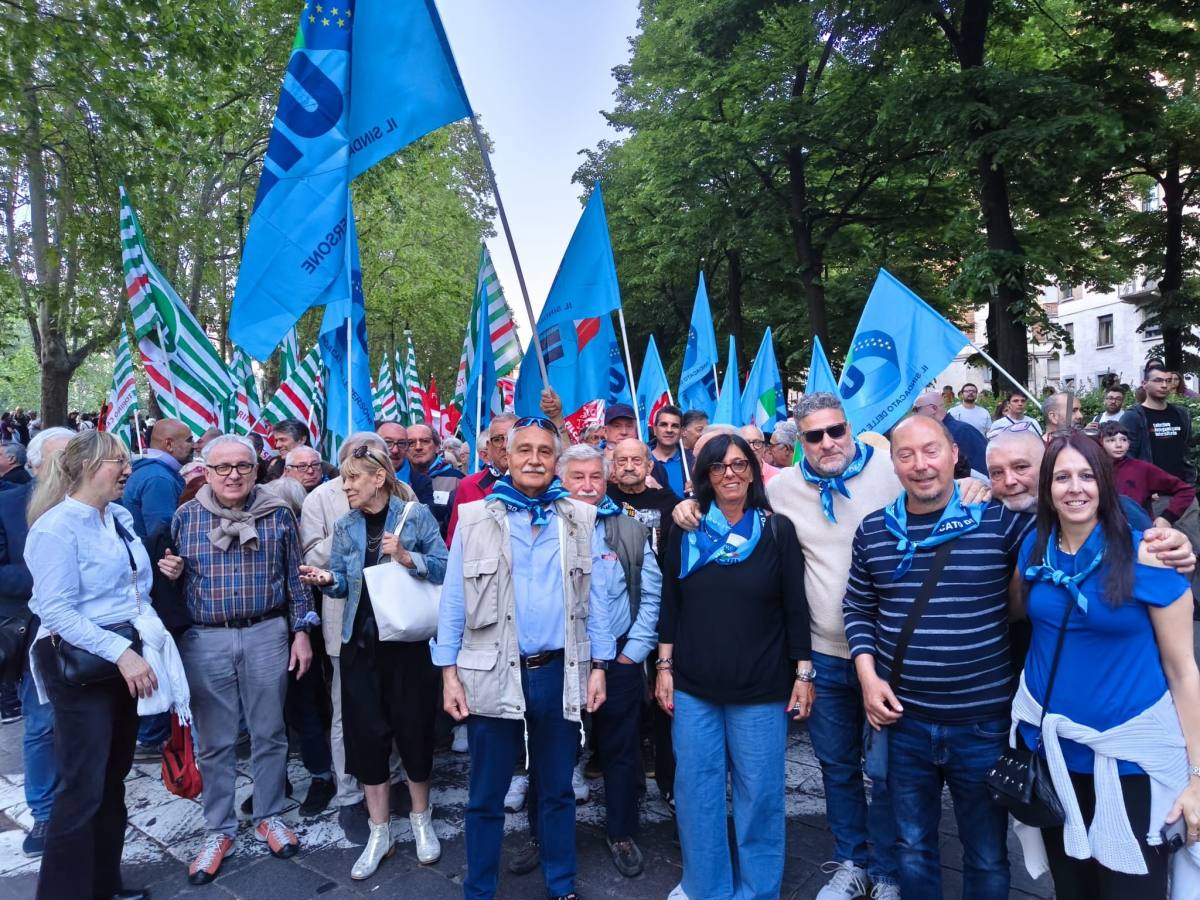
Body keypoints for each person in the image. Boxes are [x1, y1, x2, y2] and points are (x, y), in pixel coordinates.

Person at [843, 416, 1030, 899]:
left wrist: (1158, 533)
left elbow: (1076, 523)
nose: (920, 465)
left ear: (953, 453)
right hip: (903, 721)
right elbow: (859, 607)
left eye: (931, 451)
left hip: (982, 723)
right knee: (911, 845)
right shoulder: (874, 531)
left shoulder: (999, 520)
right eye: (905, 455)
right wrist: (867, 677)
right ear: (893, 462)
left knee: (987, 854)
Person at [1010, 432, 1200, 897]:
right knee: (1072, 888)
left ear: (1105, 484)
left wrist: (1199, 777)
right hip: (1053, 757)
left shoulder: (1149, 555)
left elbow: (1183, 672)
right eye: (1061, 477)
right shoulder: (1035, 550)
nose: (1075, 488)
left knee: (1131, 890)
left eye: (1087, 475)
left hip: (1132, 763)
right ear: (1046, 489)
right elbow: (1019, 614)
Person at [434, 415, 615, 900]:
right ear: (504, 457)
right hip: (492, 673)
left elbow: (594, 598)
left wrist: (599, 666)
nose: (534, 459)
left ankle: (562, 886)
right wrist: (449, 673)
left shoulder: (581, 518)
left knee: (556, 790)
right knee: (486, 796)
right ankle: (479, 890)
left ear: (556, 460)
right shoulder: (474, 519)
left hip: (559, 672)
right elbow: (453, 601)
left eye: (544, 450)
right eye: (524, 450)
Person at [656, 432, 811, 900]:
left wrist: (803, 674)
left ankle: (758, 890)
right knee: (696, 794)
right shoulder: (684, 529)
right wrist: (664, 666)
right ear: (704, 474)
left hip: (761, 689)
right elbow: (670, 601)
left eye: (740, 464)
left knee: (760, 796)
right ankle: (706, 887)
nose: (731, 474)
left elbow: (795, 608)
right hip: (694, 686)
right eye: (719, 466)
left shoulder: (777, 530)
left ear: (754, 471)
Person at [161, 434, 314, 885]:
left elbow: (296, 579)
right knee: (215, 742)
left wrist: (301, 632)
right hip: (206, 640)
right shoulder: (186, 517)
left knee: (270, 732)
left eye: (242, 467)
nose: (233, 475)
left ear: (256, 469)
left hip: (268, 633)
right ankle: (219, 828)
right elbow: (170, 581)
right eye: (222, 468)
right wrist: (169, 574)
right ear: (206, 472)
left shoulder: (278, 512)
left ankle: (270, 815)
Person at [300, 445, 448, 878]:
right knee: (366, 738)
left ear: (377, 479)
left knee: (415, 732)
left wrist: (406, 557)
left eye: (352, 479)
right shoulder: (345, 525)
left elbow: (443, 567)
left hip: (407, 646)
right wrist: (329, 580)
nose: (344, 486)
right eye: (344, 479)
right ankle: (378, 830)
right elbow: (346, 583)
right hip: (359, 646)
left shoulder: (414, 516)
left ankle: (421, 819)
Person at [25, 430, 162, 900]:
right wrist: (123, 654)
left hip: (120, 659)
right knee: (81, 790)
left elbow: (130, 588)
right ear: (85, 467)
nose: (127, 468)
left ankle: (104, 884)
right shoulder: (54, 528)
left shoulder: (119, 517)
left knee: (111, 780)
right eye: (117, 461)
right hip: (82, 665)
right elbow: (56, 612)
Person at [300, 432, 414, 842]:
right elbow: (311, 554)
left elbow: (421, 548)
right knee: (349, 713)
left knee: (397, 707)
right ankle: (351, 796)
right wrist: (353, 526)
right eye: (356, 459)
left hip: (396, 620)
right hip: (346, 622)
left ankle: (395, 781)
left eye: (378, 458)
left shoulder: (404, 492)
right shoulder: (321, 500)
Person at [558, 444, 662, 877]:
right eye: (577, 477)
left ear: (607, 480)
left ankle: (621, 832)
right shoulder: (542, 525)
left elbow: (652, 596)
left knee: (620, 752)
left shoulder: (630, 530)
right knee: (555, 751)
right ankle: (541, 834)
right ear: (560, 481)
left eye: (595, 477)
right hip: (559, 659)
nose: (586, 486)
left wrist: (629, 655)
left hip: (618, 657)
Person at [0, 428, 72, 856]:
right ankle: (44, 811)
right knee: (42, 723)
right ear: (35, 467)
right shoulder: (8, 504)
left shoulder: (104, 505)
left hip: (95, 633)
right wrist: (52, 572)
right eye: (60, 458)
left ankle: (89, 797)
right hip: (35, 632)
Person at [1100, 421, 1197, 527]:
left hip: (1139, 533)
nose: (1119, 445)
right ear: (1100, 443)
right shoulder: (1092, 469)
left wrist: (1167, 518)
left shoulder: (1142, 469)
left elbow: (1185, 490)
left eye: (1123, 440)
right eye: (1111, 440)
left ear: (1129, 443)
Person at [447, 413, 517, 547]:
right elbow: (456, 543)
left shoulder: (538, 483)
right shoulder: (469, 485)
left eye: (511, 438)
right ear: (489, 446)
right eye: (498, 439)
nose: (504, 445)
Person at [1121, 363, 1197, 484]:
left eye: (1168, 381)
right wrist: (1141, 487)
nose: (1164, 385)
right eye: (1158, 380)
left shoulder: (1182, 414)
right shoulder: (1133, 417)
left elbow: (1187, 451)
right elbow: (1126, 457)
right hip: (1152, 492)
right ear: (1144, 384)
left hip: (1182, 488)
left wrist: (1189, 482)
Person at [119, 419, 193, 537]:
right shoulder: (158, 479)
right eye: (189, 440)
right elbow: (162, 534)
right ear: (169, 444)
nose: (194, 445)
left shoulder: (154, 471)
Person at [608, 438, 680, 556]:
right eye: (622, 461)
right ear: (614, 467)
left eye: (636, 460)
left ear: (649, 467)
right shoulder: (603, 499)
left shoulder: (668, 502)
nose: (629, 467)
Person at [912, 390, 988, 475]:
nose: (914, 414)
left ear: (933, 408)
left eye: (916, 409)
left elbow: (982, 469)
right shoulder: (938, 432)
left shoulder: (961, 432)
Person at [409, 423, 464, 537]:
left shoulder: (457, 480)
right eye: (411, 443)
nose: (418, 447)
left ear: (437, 447)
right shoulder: (397, 479)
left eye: (425, 441)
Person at [376, 420, 435, 507]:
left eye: (401, 443)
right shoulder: (358, 477)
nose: (395, 450)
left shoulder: (422, 483)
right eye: (388, 442)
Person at [649, 405, 692, 499]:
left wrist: (700, 491)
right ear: (655, 430)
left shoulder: (694, 462)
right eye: (664, 425)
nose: (669, 430)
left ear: (682, 431)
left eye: (675, 426)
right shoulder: (638, 461)